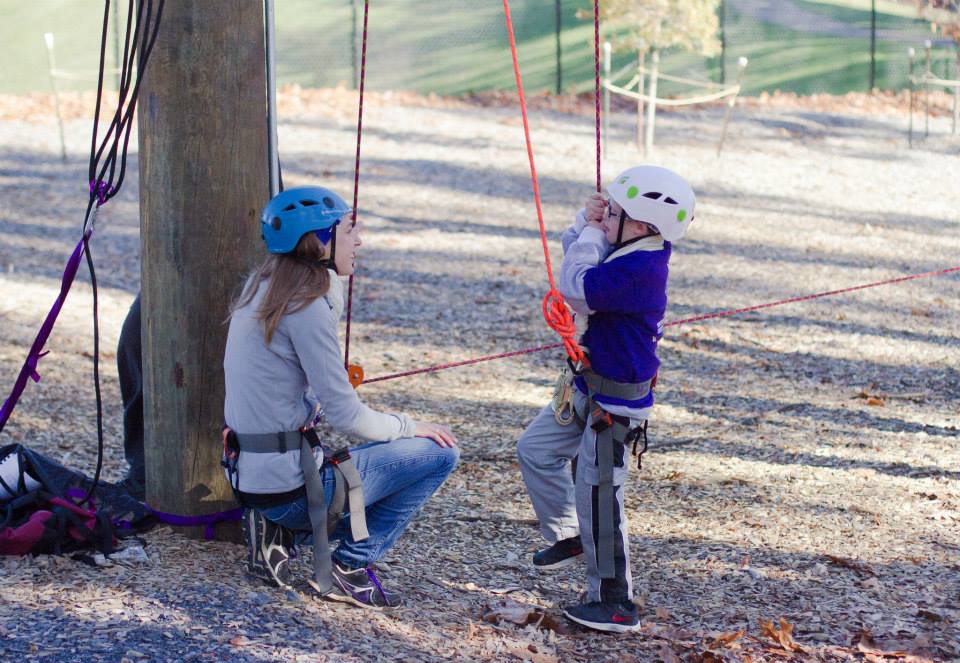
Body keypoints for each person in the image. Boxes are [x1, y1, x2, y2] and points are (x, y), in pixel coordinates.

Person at [222, 186, 459, 609]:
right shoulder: (305, 306)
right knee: (439, 453)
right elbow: (347, 415)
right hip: (291, 492)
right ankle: (349, 564)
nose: (360, 240)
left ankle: (276, 531)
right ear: (321, 240)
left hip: (248, 480)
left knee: (371, 450)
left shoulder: (261, 289)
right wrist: (411, 426)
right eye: (350, 229)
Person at [516, 165, 696, 633]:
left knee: (599, 497)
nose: (604, 216)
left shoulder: (642, 267)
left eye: (613, 212)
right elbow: (579, 255)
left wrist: (591, 232)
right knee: (535, 450)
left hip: (612, 405)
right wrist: (588, 222)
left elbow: (576, 286)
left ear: (639, 226)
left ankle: (615, 602)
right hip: (586, 386)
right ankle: (569, 535)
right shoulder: (631, 246)